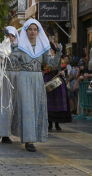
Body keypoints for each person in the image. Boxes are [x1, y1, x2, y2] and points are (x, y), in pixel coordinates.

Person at [9, 19, 61, 152]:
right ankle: (29, 139)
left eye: (35, 29)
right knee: (27, 108)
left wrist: (59, 52)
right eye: (30, 29)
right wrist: (10, 52)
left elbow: (52, 64)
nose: (32, 31)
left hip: (38, 78)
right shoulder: (20, 46)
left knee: (37, 107)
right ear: (26, 31)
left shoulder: (42, 48)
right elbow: (11, 61)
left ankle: (33, 136)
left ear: (38, 32)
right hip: (24, 77)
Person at [0, 26, 20, 144]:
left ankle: (17, 130)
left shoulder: (21, 49)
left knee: (17, 104)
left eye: (12, 36)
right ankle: (5, 133)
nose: (10, 38)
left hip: (17, 78)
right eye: (8, 36)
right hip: (4, 78)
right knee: (5, 105)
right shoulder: (1, 48)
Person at [44, 43, 72, 131]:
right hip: (48, 79)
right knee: (49, 102)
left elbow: (64, 70)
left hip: (58, 81)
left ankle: (57, 123)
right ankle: (49, 123)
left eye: (52, 49)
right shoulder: (45, 59)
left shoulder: (60, 59)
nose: (51, 51)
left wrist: (62, 72)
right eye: (49, 50)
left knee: (58, 102)